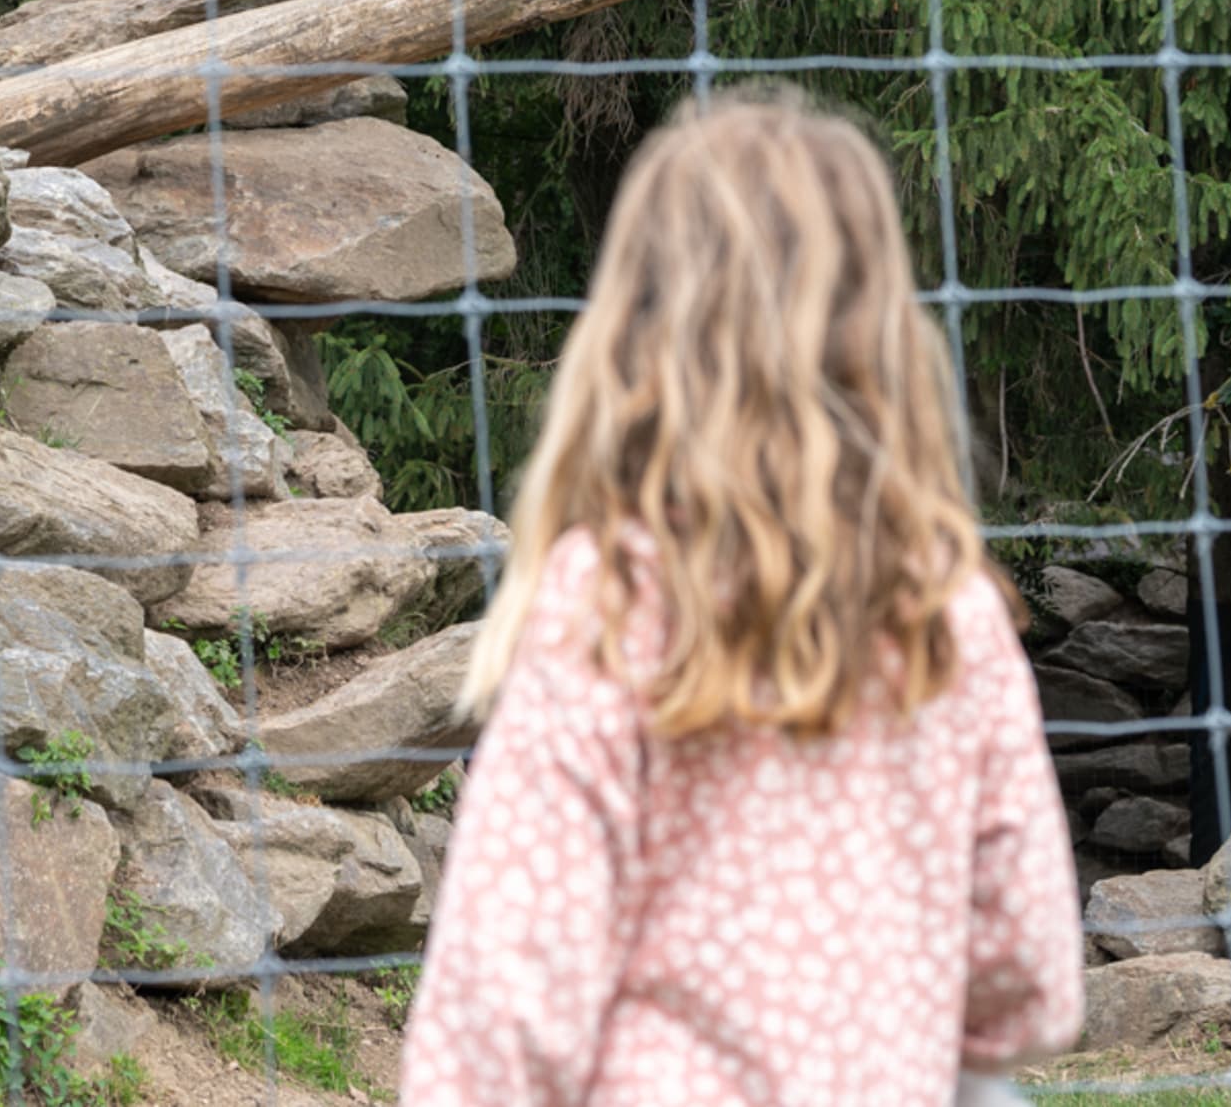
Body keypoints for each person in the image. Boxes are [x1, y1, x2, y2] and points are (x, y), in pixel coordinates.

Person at [399, 94, 1084, 1107]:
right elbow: (1029, 977)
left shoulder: (612, 598)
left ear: (638, 325)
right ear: (884, 331)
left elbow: (503, 1006)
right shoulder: (950, 614)